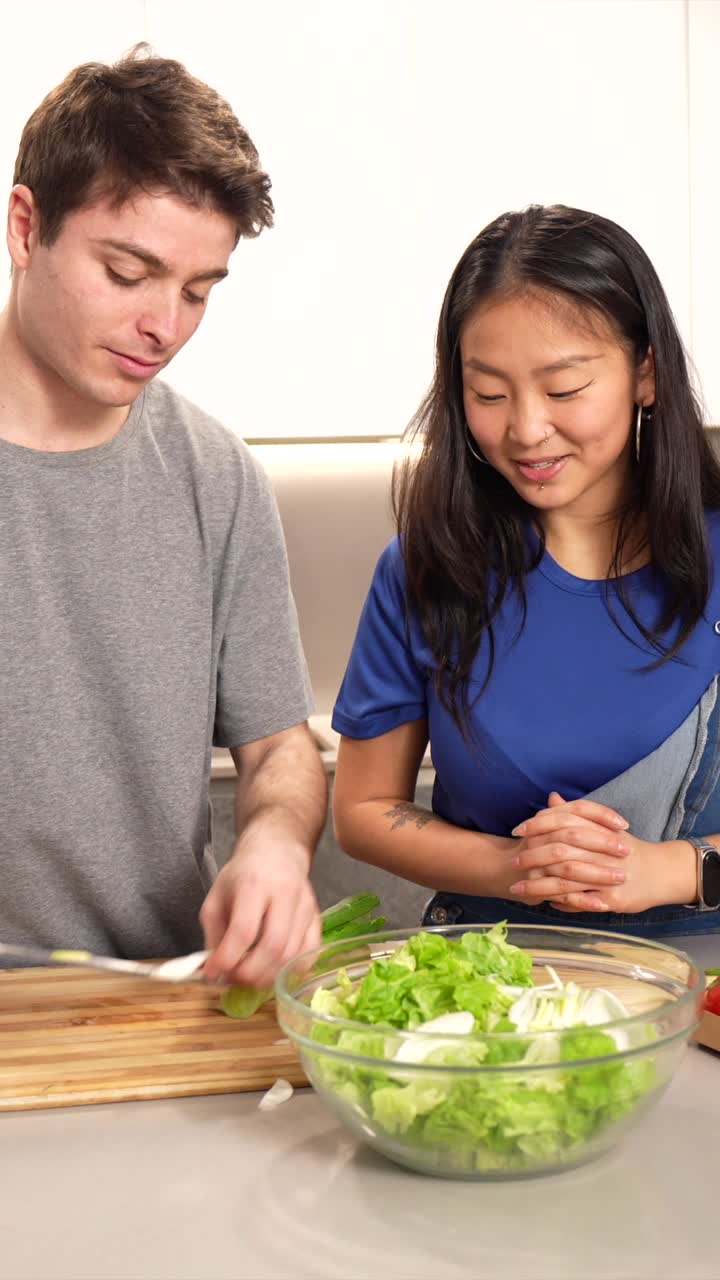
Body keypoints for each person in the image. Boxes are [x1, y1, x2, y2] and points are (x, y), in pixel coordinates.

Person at [0, 45, 327, 986]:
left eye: (197, 290)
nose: (165, 326)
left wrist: (273, 843)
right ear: (27, 226)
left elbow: (277, 750)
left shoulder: (215, 475)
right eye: (128, 271)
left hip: (156, 1003)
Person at [332, 204, 720, 937]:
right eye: (489, 393)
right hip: (496, 978)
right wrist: (518, 867)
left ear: (646, 373)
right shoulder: (423, 568)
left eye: (564, 388)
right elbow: (361, 811)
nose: (526, 428)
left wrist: (666, 871)